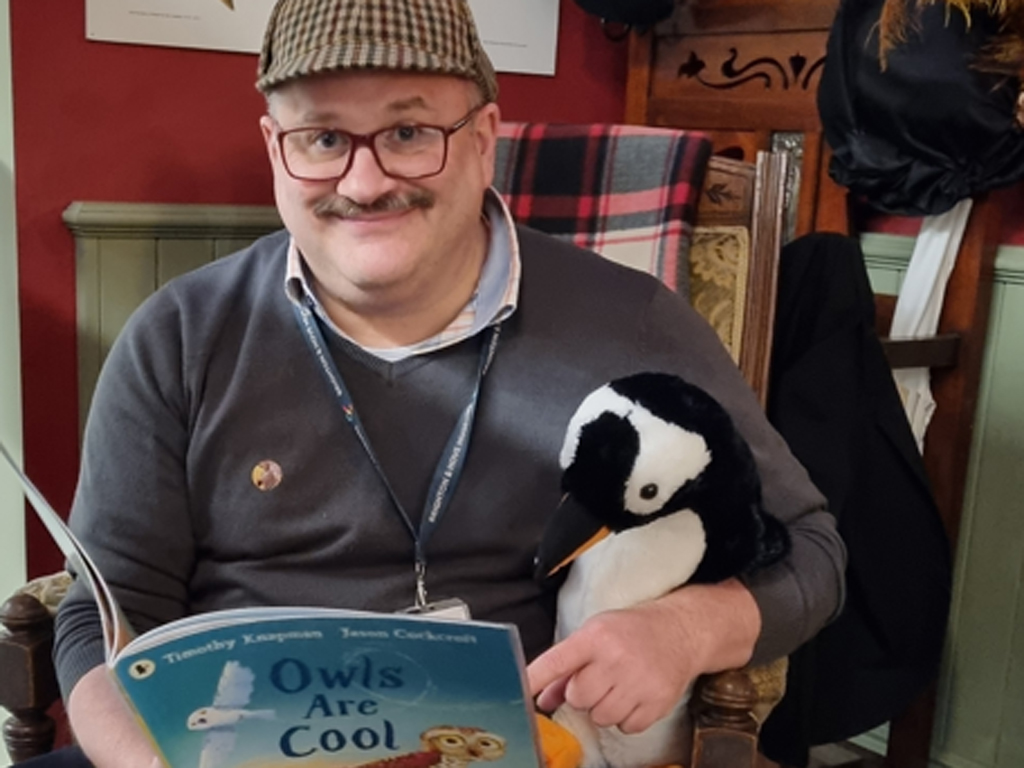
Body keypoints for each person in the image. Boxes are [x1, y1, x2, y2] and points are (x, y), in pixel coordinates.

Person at [49, 1, 846, 766]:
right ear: (273, 146)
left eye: (408, 131)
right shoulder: (179, 336)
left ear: (483, 137)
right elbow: (101, 618)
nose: (363, 183)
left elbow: (811, 552)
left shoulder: (633, 323)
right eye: (323, 138)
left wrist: (683, 629)